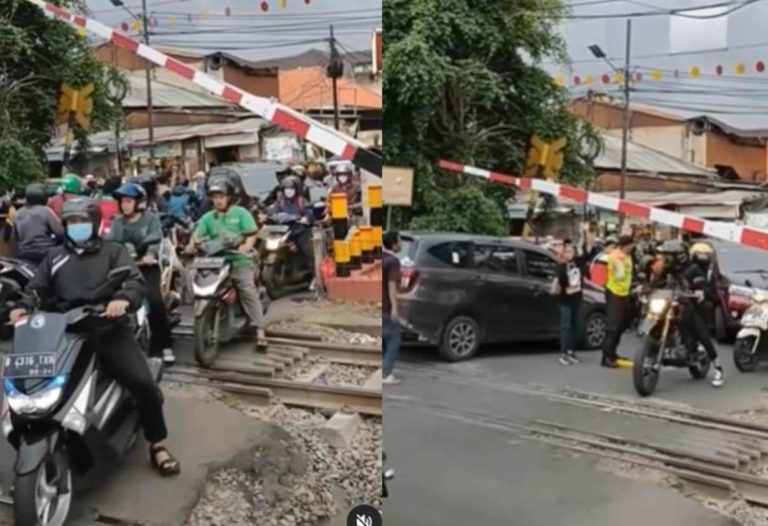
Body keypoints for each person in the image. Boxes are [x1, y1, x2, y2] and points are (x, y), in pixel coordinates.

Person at [9, 197, 180, 476]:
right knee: (32, 389)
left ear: (95, 222)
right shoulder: (55, 256)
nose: (77, 226)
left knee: (142, 384)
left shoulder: (113, 252)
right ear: (64, 225)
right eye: (72, 222)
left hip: (107, 328)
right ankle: (37, 453)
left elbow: (134, 283)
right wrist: (21, 306)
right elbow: (36, 288)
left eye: (82, 221)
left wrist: (123, 299)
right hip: (63, 331)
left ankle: (157, 443)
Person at [186, 178, 265, 340]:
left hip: (239, 260)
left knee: (246, 289)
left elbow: (251, 234)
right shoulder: (208, 217)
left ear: (228, 198)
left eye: (221, 197)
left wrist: (246, 247)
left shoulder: (241, 213)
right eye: (215, 198)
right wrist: (192, 244)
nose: (218, 201)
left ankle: (260, 329)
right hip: (215, 261)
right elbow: (197, 235)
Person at [109, 183, 176, 365]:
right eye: (123, 202)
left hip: (147, 267)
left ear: (139, 202)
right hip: (124, 268)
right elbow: (112, 244)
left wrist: (150, 255)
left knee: (155, 303)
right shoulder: (117, 221)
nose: (125, 205)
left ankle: (164, 345)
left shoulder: (151, 219)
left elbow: (156, 240)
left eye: (129, 201)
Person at [681, 242, 725, 387]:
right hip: (680, 304)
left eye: (707, 255)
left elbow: (712, 292)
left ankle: (718, 368)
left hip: (698, 307)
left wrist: (702, 292)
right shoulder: (682, 268)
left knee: (703, 335)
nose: (706, 258)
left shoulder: (710, 273)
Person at [601, 235, 635, 368]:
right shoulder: (616, 256)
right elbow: (620, 275)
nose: (633, 247)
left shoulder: (627, 255)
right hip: (615, 293)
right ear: (625, 245)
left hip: (624, 293)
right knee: (613, 327)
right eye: (631, 245)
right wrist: (619, 265)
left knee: (622, 325)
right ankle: (606, 357)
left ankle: (613, 353)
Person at [13, 183, 64, 265]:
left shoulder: (18, 213)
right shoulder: (46, 211)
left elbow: (16, 237)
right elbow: (60, 233)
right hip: (45, 252)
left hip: (24, 253)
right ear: (44, 197)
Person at [554, 242, 587, 365]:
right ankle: (563, 354)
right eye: (567, 251)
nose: (569, 254)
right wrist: (554, 287)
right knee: (566, 327)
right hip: (565, 301)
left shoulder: (578, 263)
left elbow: (585, 252)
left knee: (576, 326)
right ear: (563, 253)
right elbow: (557, 278)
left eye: (571, 251)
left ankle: (571, 351)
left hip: (577, 299)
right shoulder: (562, 266)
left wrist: (583, 234)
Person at [267, 175, 314, 258]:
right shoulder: (280, 201)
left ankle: (310, 265)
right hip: (283, 230)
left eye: (291, 189)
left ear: (296, 190)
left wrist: (306, 218)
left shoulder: (301, 200)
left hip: (299, 230)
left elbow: (309, 212)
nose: (289, 191)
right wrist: (269, 215)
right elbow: (272, 212)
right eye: (287, 189)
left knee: (306, 250)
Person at [383, 230, 402, 385]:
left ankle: (383, 368)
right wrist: (394, 307)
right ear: (394, 244)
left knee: (385, 338)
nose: (401, 244)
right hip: (387, 306)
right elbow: (391, 285)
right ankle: (386, 373)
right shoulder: (393, 261)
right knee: (394, 338)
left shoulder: (382, 258)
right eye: (400, 241)